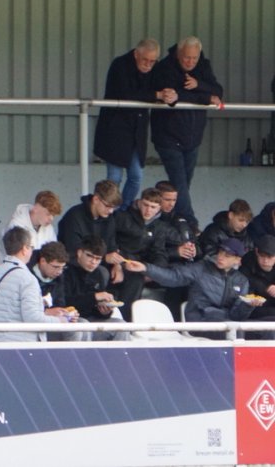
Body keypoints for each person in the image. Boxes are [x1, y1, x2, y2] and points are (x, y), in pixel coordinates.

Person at [150, 36, 224, 229]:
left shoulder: (204, 66)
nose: (190, 62)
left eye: (194, 58)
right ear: (178, 54)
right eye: (186, 58)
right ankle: (191, 225)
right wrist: (204, 97)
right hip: (168, 135)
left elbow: (218, 91)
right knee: (179, 183)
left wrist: (199, 85)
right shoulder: (165, 67)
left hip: (193, 138)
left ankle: (173, 223)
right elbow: (171, 96)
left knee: (183, 186)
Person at [125, 238, 267, 338]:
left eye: (227, 255)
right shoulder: (201, 268)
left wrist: (248, 305)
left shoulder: (241, 280)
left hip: (226, 323)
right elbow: (172, 277)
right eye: (220, 252)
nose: (221, 257)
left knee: (264, 331)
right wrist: (146, 268)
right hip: (200, 320)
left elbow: (237, 316)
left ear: (238, 260)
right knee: (236, 332)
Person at [93, 39, 176, 208]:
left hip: (137, 131)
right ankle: (110, 212)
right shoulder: (120, 65)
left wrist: (171, 95)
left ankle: (123, 211)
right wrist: (157, 95)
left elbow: (164, 88)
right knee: (115, 178)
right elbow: (127, 93)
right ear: (136, 54)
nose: (148, 64)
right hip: (115, 128)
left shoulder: (156, 68)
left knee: (136, 176)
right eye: (145, 60)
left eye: (152, 61)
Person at [0, 227, 71, 342]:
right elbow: (33, 319)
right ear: (24, 249)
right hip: (18, 344)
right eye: (31, 247)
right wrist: (60, 321)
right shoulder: (27, 278)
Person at [107, 187, 168, 320]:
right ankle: (123, 320)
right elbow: (110, 241)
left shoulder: (160, 227)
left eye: (153, 207)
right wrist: (118, 264)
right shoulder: (122, 217)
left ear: (159, 208)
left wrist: (152, 271)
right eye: (146, 205)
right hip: (118, 261)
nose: (148, 210)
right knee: (134, 279)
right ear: (139, 203)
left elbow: (159, 253)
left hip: (140, 266)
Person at [61, 236, 128, 340]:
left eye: (98, 259)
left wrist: (105, 311)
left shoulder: (99, 274)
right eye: (90, 256)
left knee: (121, 326)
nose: (93, 262)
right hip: (71, 321)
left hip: (92, 321)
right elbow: (64, 302)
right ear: (79, 253)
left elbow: (96, 309)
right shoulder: (65, 271)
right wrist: (94, 297)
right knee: (84, 325)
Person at [153, 180, 200, 319]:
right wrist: (176, 252)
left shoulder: (181, 219)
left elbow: (198, 245)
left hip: (186, 266)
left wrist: (195, 250)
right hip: (163, 267)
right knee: (178, 279)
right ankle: (174, 323)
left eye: (174, 200)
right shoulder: (151, 220)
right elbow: (149, 251)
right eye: (167, 199)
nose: (171, 204)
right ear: (158, 197)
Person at [0, 190, 62, 266]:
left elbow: (54, 254)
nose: (51, 218)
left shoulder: (49, 228)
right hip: (14, 270)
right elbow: (17, 259)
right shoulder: (15, 225)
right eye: (48, 214)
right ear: (36, 208)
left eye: (53, 215)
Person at [57, 179, 122, 257]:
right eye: (107, 206)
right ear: (96, 199)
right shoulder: (73, 217)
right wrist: (104, 259)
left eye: (114, 207)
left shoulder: (109, 218)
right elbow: (73, 252)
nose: (111, 211)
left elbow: (111, 247)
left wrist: (117, 261)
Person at [241, 234, 275, 323]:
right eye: (262, 256)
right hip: (252, 310)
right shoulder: (247, 266)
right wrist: (266, 288)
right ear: (256, 252)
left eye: (269, 257)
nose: (265, 261)